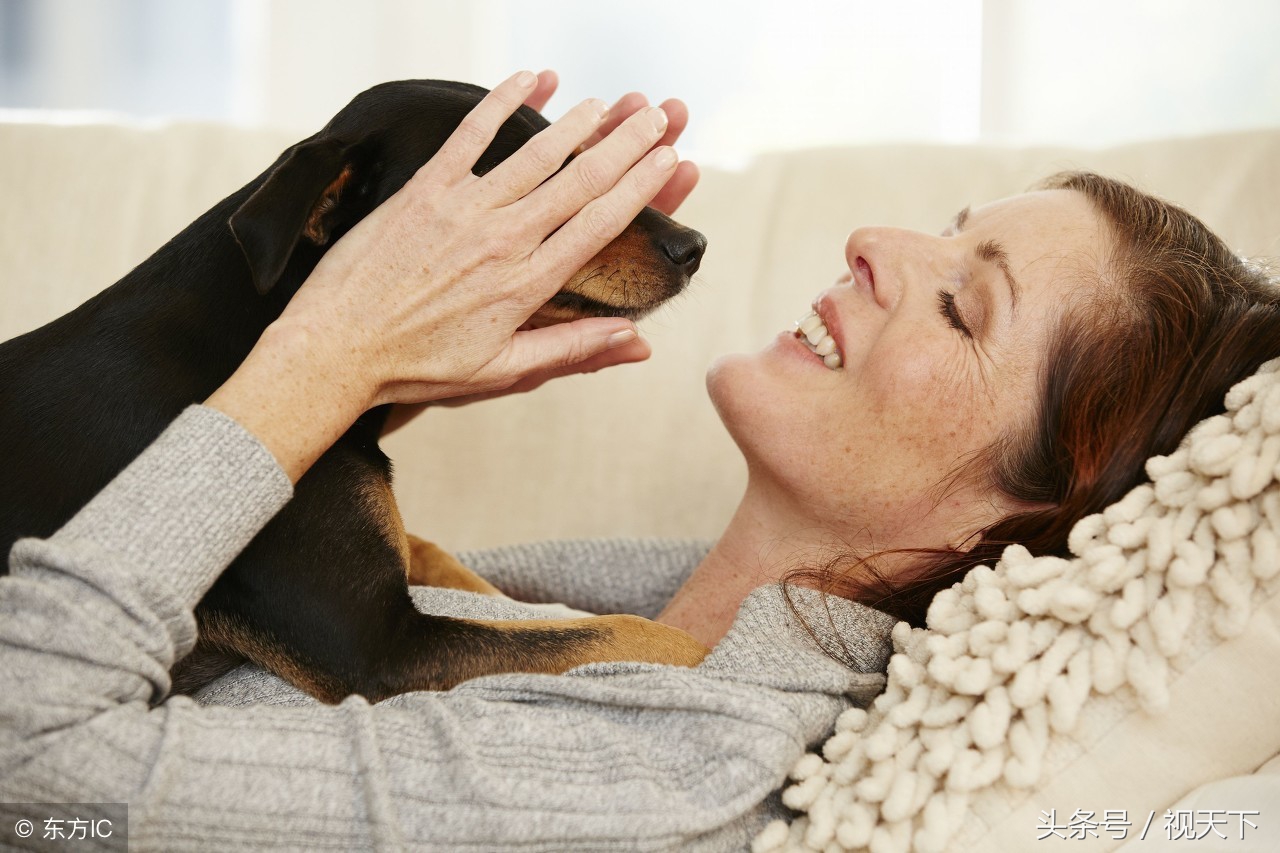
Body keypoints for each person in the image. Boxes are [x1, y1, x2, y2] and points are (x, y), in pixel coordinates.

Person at [1, 68, 1277, 850]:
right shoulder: (608, 604)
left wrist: (320, 356)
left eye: (963, 304)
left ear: (1021, 514)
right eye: (942, 232)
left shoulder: (677, 768)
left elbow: (29, 782)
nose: (878, 241)